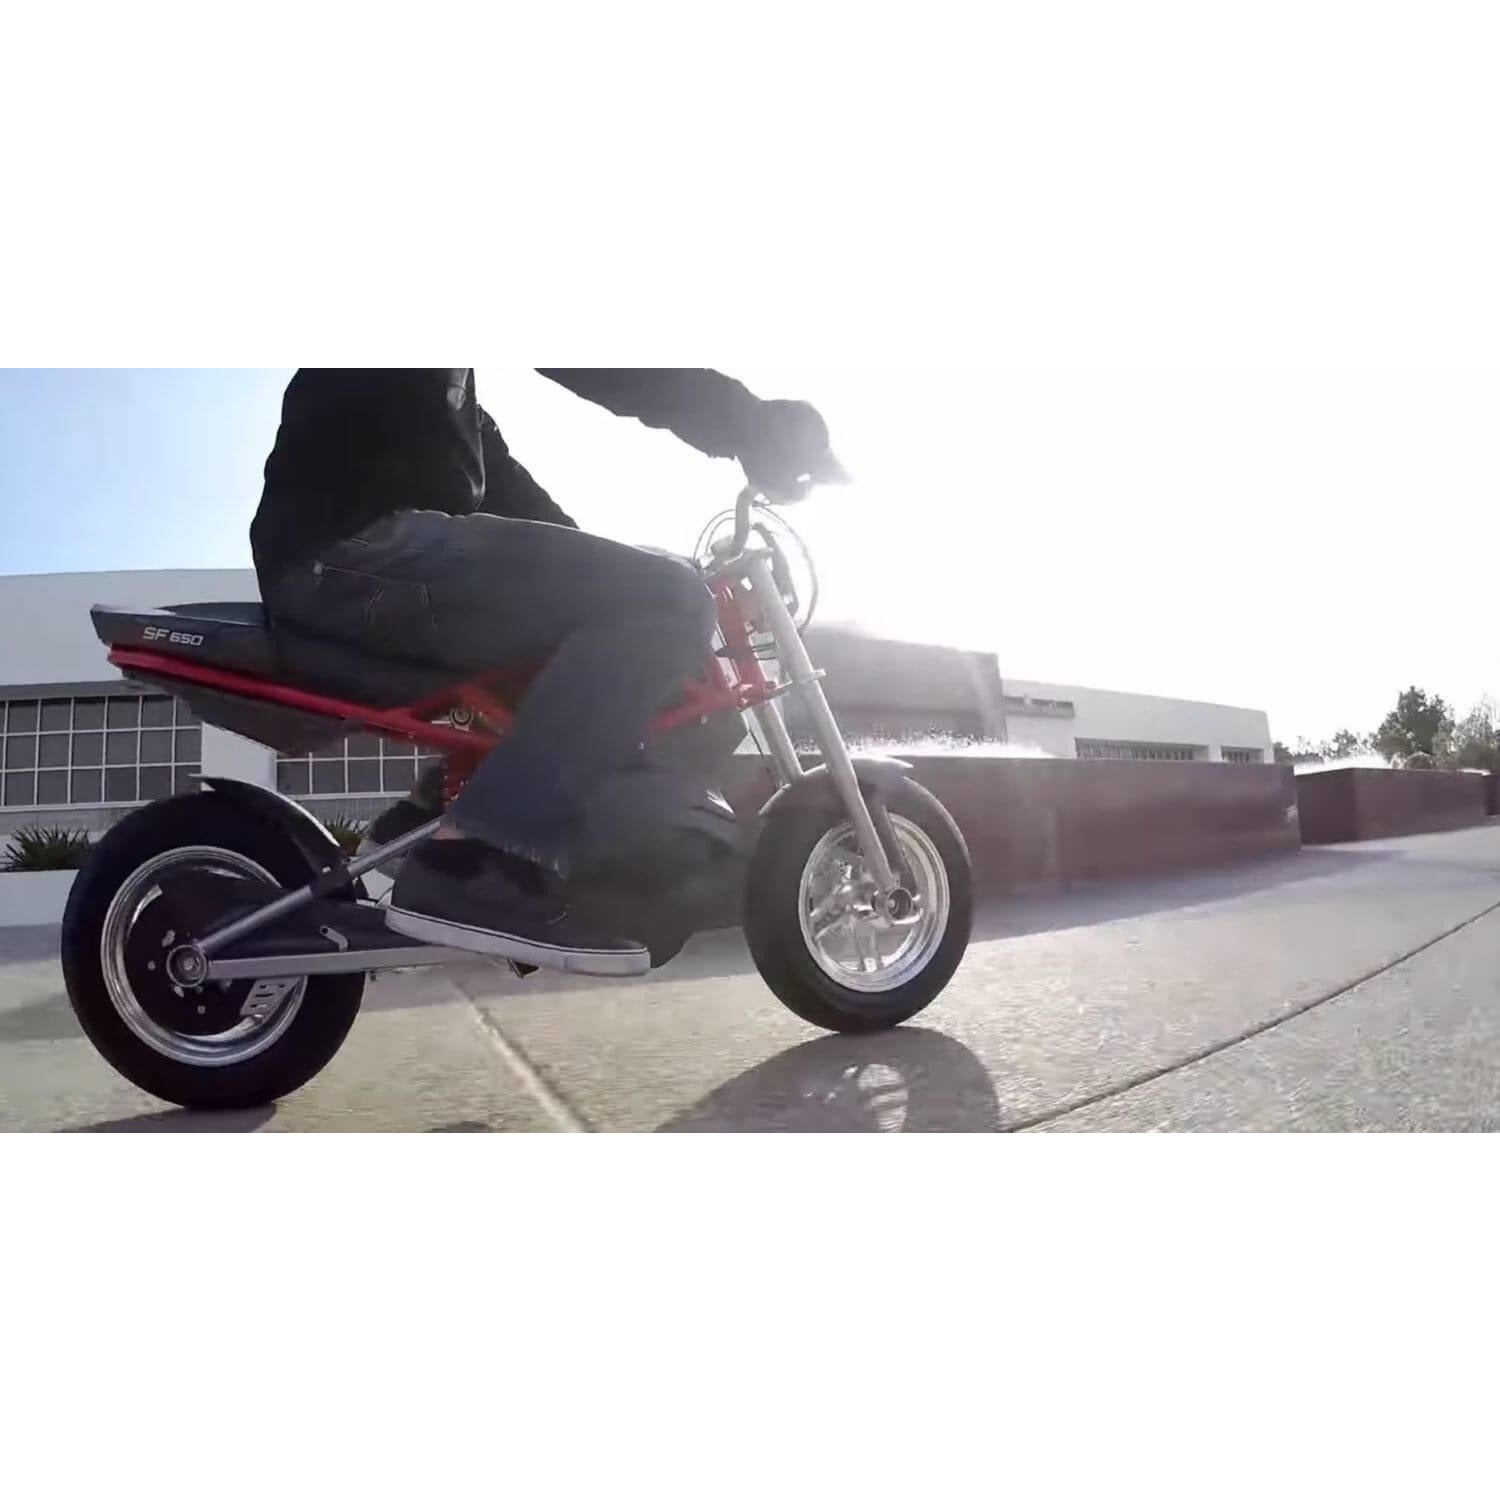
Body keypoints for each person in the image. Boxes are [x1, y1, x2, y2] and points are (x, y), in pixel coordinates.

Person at [250, 368, 839, 976]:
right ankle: (477, 859)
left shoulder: (446, 407)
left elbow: (512, 494)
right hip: (354, 551)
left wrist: (613, 577)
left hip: (352, 556)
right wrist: (749, 421)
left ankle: (427, 815)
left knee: (629, 605)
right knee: (671, 600)